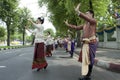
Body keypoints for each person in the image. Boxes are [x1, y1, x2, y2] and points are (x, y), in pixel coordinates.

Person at [64, 3, 97, 80]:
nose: (85, 15)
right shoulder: (85, 24)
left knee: (90, 59)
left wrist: (78, 11)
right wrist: (67, 24)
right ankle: (86, 76)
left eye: (87, 14)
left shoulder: (93, 21)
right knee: (85, 60)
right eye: (85, 14)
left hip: (91, 43)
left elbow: (88, 19)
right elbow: (76, 27)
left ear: (91, 14)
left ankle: (88, 75)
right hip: (85, 44)